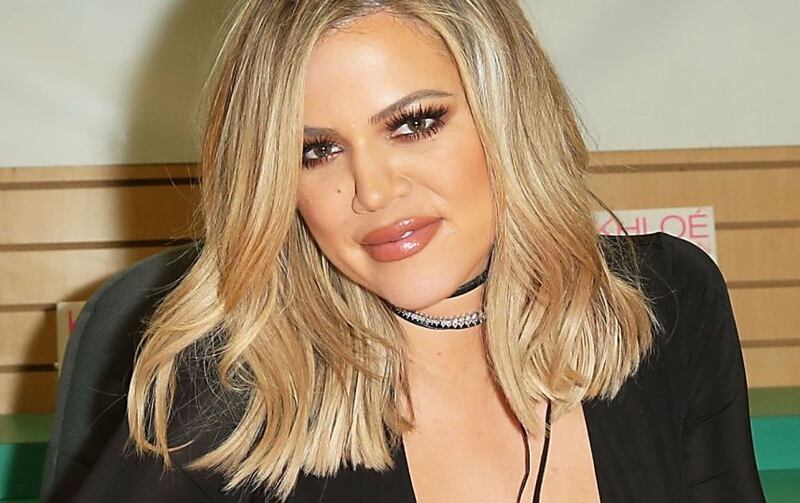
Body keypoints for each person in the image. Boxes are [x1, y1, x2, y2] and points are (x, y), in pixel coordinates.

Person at [42, 0, 766, 501]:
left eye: (414, 123)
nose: (373, 189)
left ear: (507, 114)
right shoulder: (237, 392)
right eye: (316, 151)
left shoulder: (668, 303)